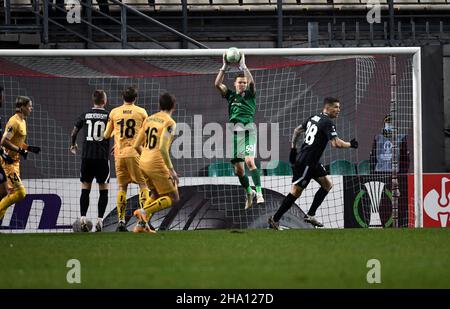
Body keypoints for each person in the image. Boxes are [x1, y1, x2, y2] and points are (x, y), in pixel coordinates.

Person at [268, 97, 358, 229]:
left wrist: (293, 147)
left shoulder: (314, 117)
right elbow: (335, 143)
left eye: (339, 107)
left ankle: (310, 215)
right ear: (327, 107)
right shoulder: (327, 122)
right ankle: (275, 220)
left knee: (327, 184)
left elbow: (297, 130)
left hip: (313, 161)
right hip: (306, 162)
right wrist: (351, 144)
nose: (339, 110)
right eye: (336, 107)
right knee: (295, 193)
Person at [214, 51, 264, 210]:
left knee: (249, 161)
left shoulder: (250, 95)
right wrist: (224, 66)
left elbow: (253, 83)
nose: (242, 84)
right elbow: (217, 84)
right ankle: (249, 192)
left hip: (249, 131)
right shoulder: (230, 96)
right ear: (235, 84)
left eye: (244, 82)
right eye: (240, 82)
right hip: (234, 133)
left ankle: (260, 193)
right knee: (239, 170)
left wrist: (243, 66)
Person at [132, 93, 180, 233]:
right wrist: (172, 171)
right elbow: (163, 149)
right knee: (174, 197)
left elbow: (136, 145)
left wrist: (146, 158)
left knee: (155, 194)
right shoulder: (170, 122)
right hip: (157, 163)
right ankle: (144, 211)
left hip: (143, 162)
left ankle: (140, 226)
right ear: (173, 106)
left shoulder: (149, 119)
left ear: (159, 105)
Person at [104, 86, 149, 232]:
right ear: (135, 98)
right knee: (143, 184)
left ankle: (121, 221)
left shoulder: (114, 112)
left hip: (120, 155)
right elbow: (146, 135)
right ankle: (143, 221)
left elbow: (106, 135)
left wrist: (117, 142)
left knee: (122, 187)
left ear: (123, 98)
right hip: (136, 154)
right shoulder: (141, 112)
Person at [70, 90, 110, 232]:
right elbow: (115, 132)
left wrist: (72, 144)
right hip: (102, 158)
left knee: (85, 189)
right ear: (104, 101)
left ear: (93, 101)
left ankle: (82, 219)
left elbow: (74, 131)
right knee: (103, 190)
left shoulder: (85, 114)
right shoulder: (108, 115)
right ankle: (100, 221)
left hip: (87, 158)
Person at [0, 96, 41, 221]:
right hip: (8, 162)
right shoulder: (14, 121)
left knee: (7, 194)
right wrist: (20, 150)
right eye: (29, 106)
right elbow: (4, 141)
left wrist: (28, 148)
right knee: (20, 193)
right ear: (22, 107)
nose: (31, 108)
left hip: (15, 162)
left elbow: (16, 142)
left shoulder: (23, 121)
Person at [0, 87, 14, 205]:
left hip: (8, 162)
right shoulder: (15, 122)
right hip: (7, 161)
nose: (3, 98)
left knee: (5, 191)